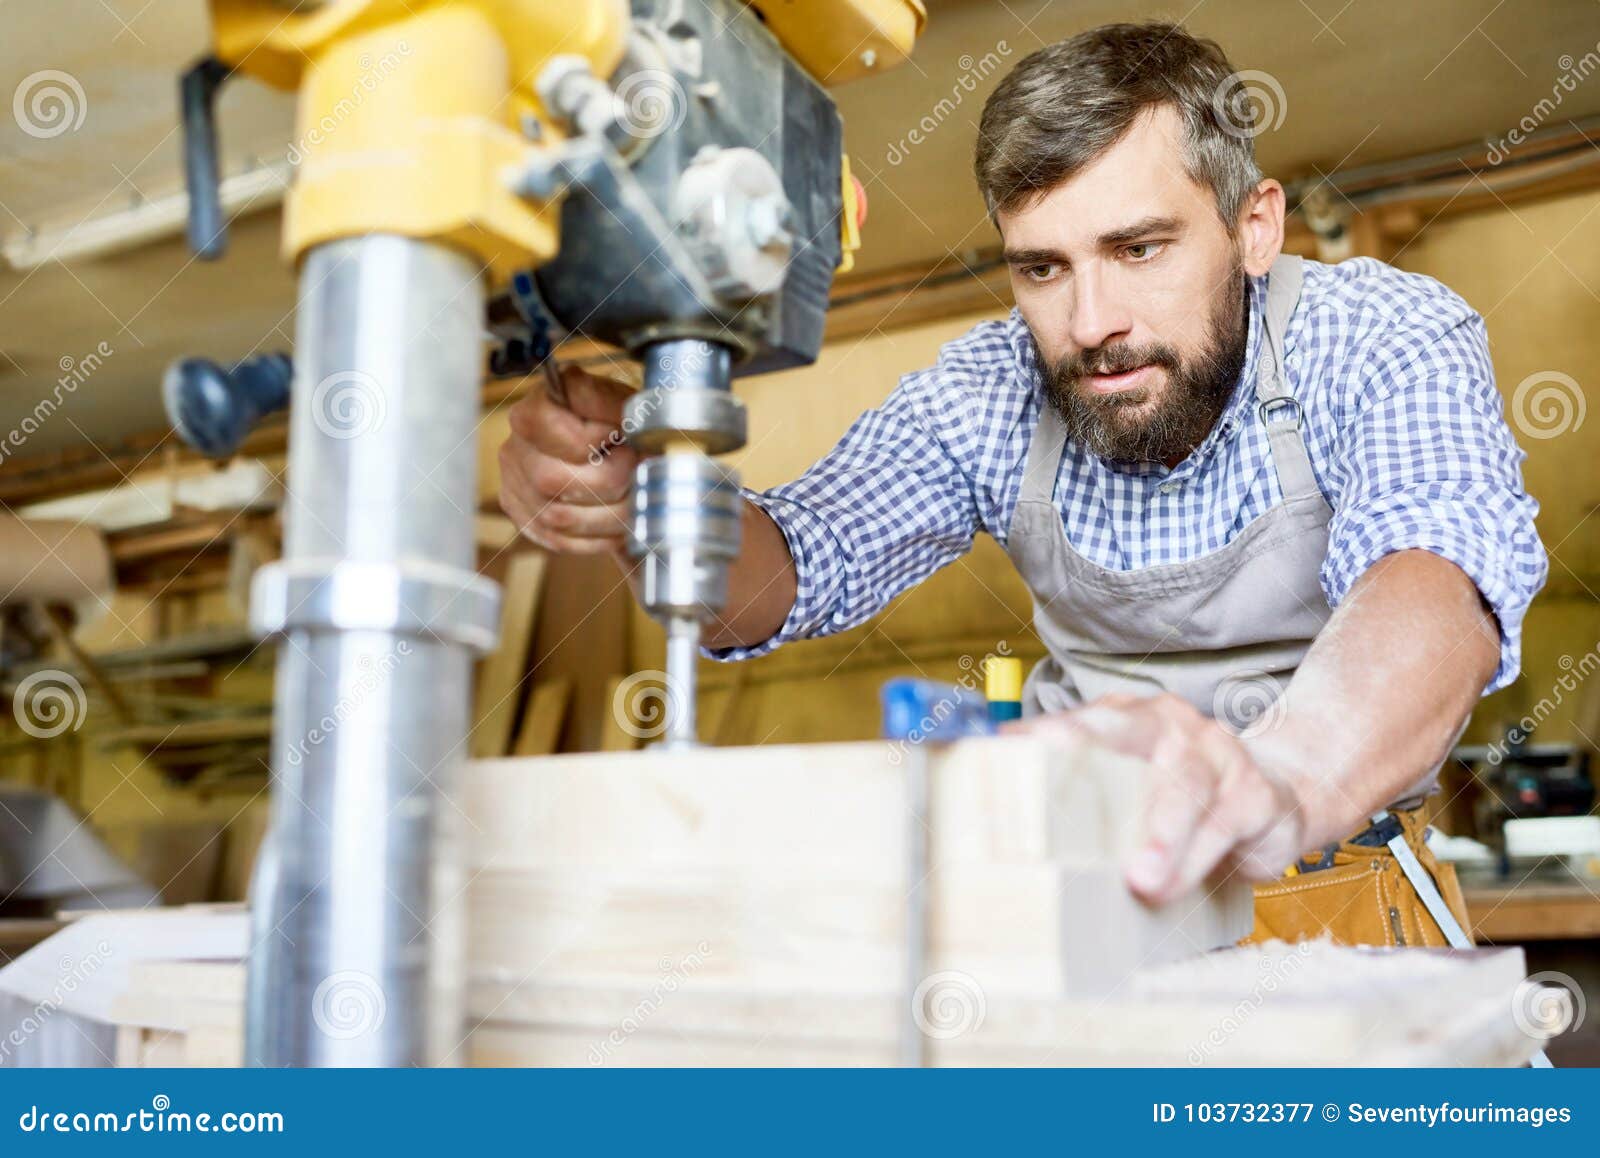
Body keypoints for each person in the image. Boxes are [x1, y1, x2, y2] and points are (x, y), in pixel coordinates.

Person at [497, 22, 1546, 945]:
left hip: (1342, 884)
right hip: (1094, 912)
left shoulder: (1380, 333)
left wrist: (1280, 782)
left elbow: (1435, 571)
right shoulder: (991, 385)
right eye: (1042, 267)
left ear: (1255, 227)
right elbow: (794, 565)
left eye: (1138, 249)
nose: (1090, 322)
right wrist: (645, 500)